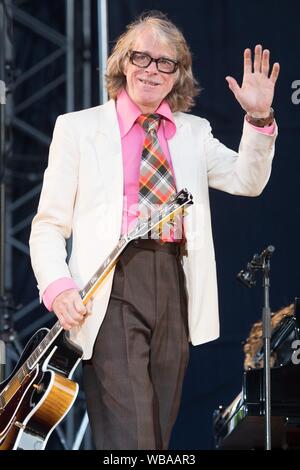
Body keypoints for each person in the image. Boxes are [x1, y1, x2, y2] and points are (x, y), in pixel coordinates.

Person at [29, 11, 279, 450]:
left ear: (177, 75)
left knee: (157, 435)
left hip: (173, 284)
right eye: (141, 57)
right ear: (124, 62)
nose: (151, 69)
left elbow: (247, 180)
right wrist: (58, 286)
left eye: (165, 63)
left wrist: (259, 121)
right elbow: (48, 225)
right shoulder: (78, 129)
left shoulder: (192, 133)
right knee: (134, 439)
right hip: (111, 288)